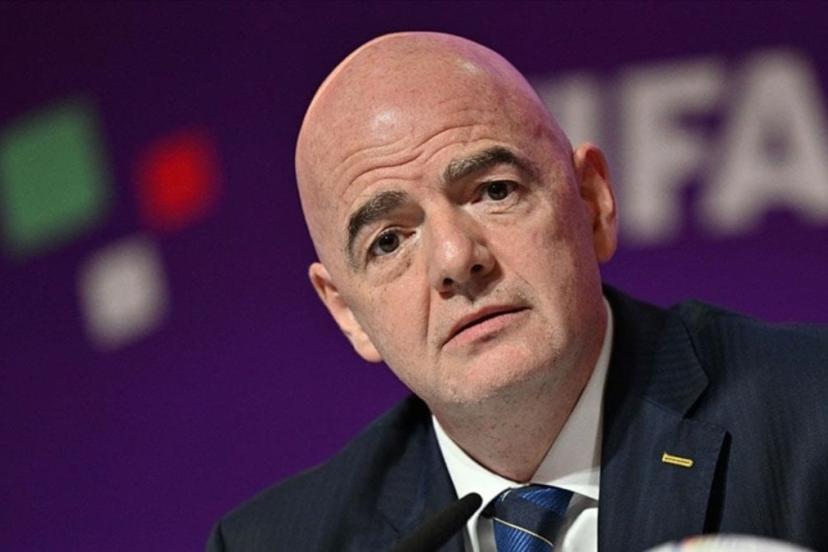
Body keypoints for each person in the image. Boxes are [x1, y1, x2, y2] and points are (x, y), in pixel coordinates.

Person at [207, 32, 828, 552]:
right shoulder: (272, 544)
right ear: (347, 312)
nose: (457, 260)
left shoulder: (811, 413)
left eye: (494, 191)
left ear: (592, 203)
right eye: (389, 241)